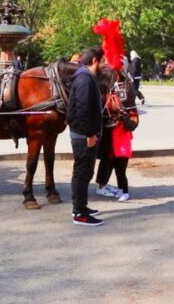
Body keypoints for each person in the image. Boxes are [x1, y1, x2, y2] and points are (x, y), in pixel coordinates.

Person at [68, 48, 106, 227]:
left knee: (85, 172)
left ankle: (81, 207)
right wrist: (90, 134)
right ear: (95, 61)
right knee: (82, 173)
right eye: (103, 61)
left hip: (85, 134)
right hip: (84, 135)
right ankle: (79, 213)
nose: (105, 64)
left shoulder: (86, 76)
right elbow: (83, 109)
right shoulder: (84, 78)